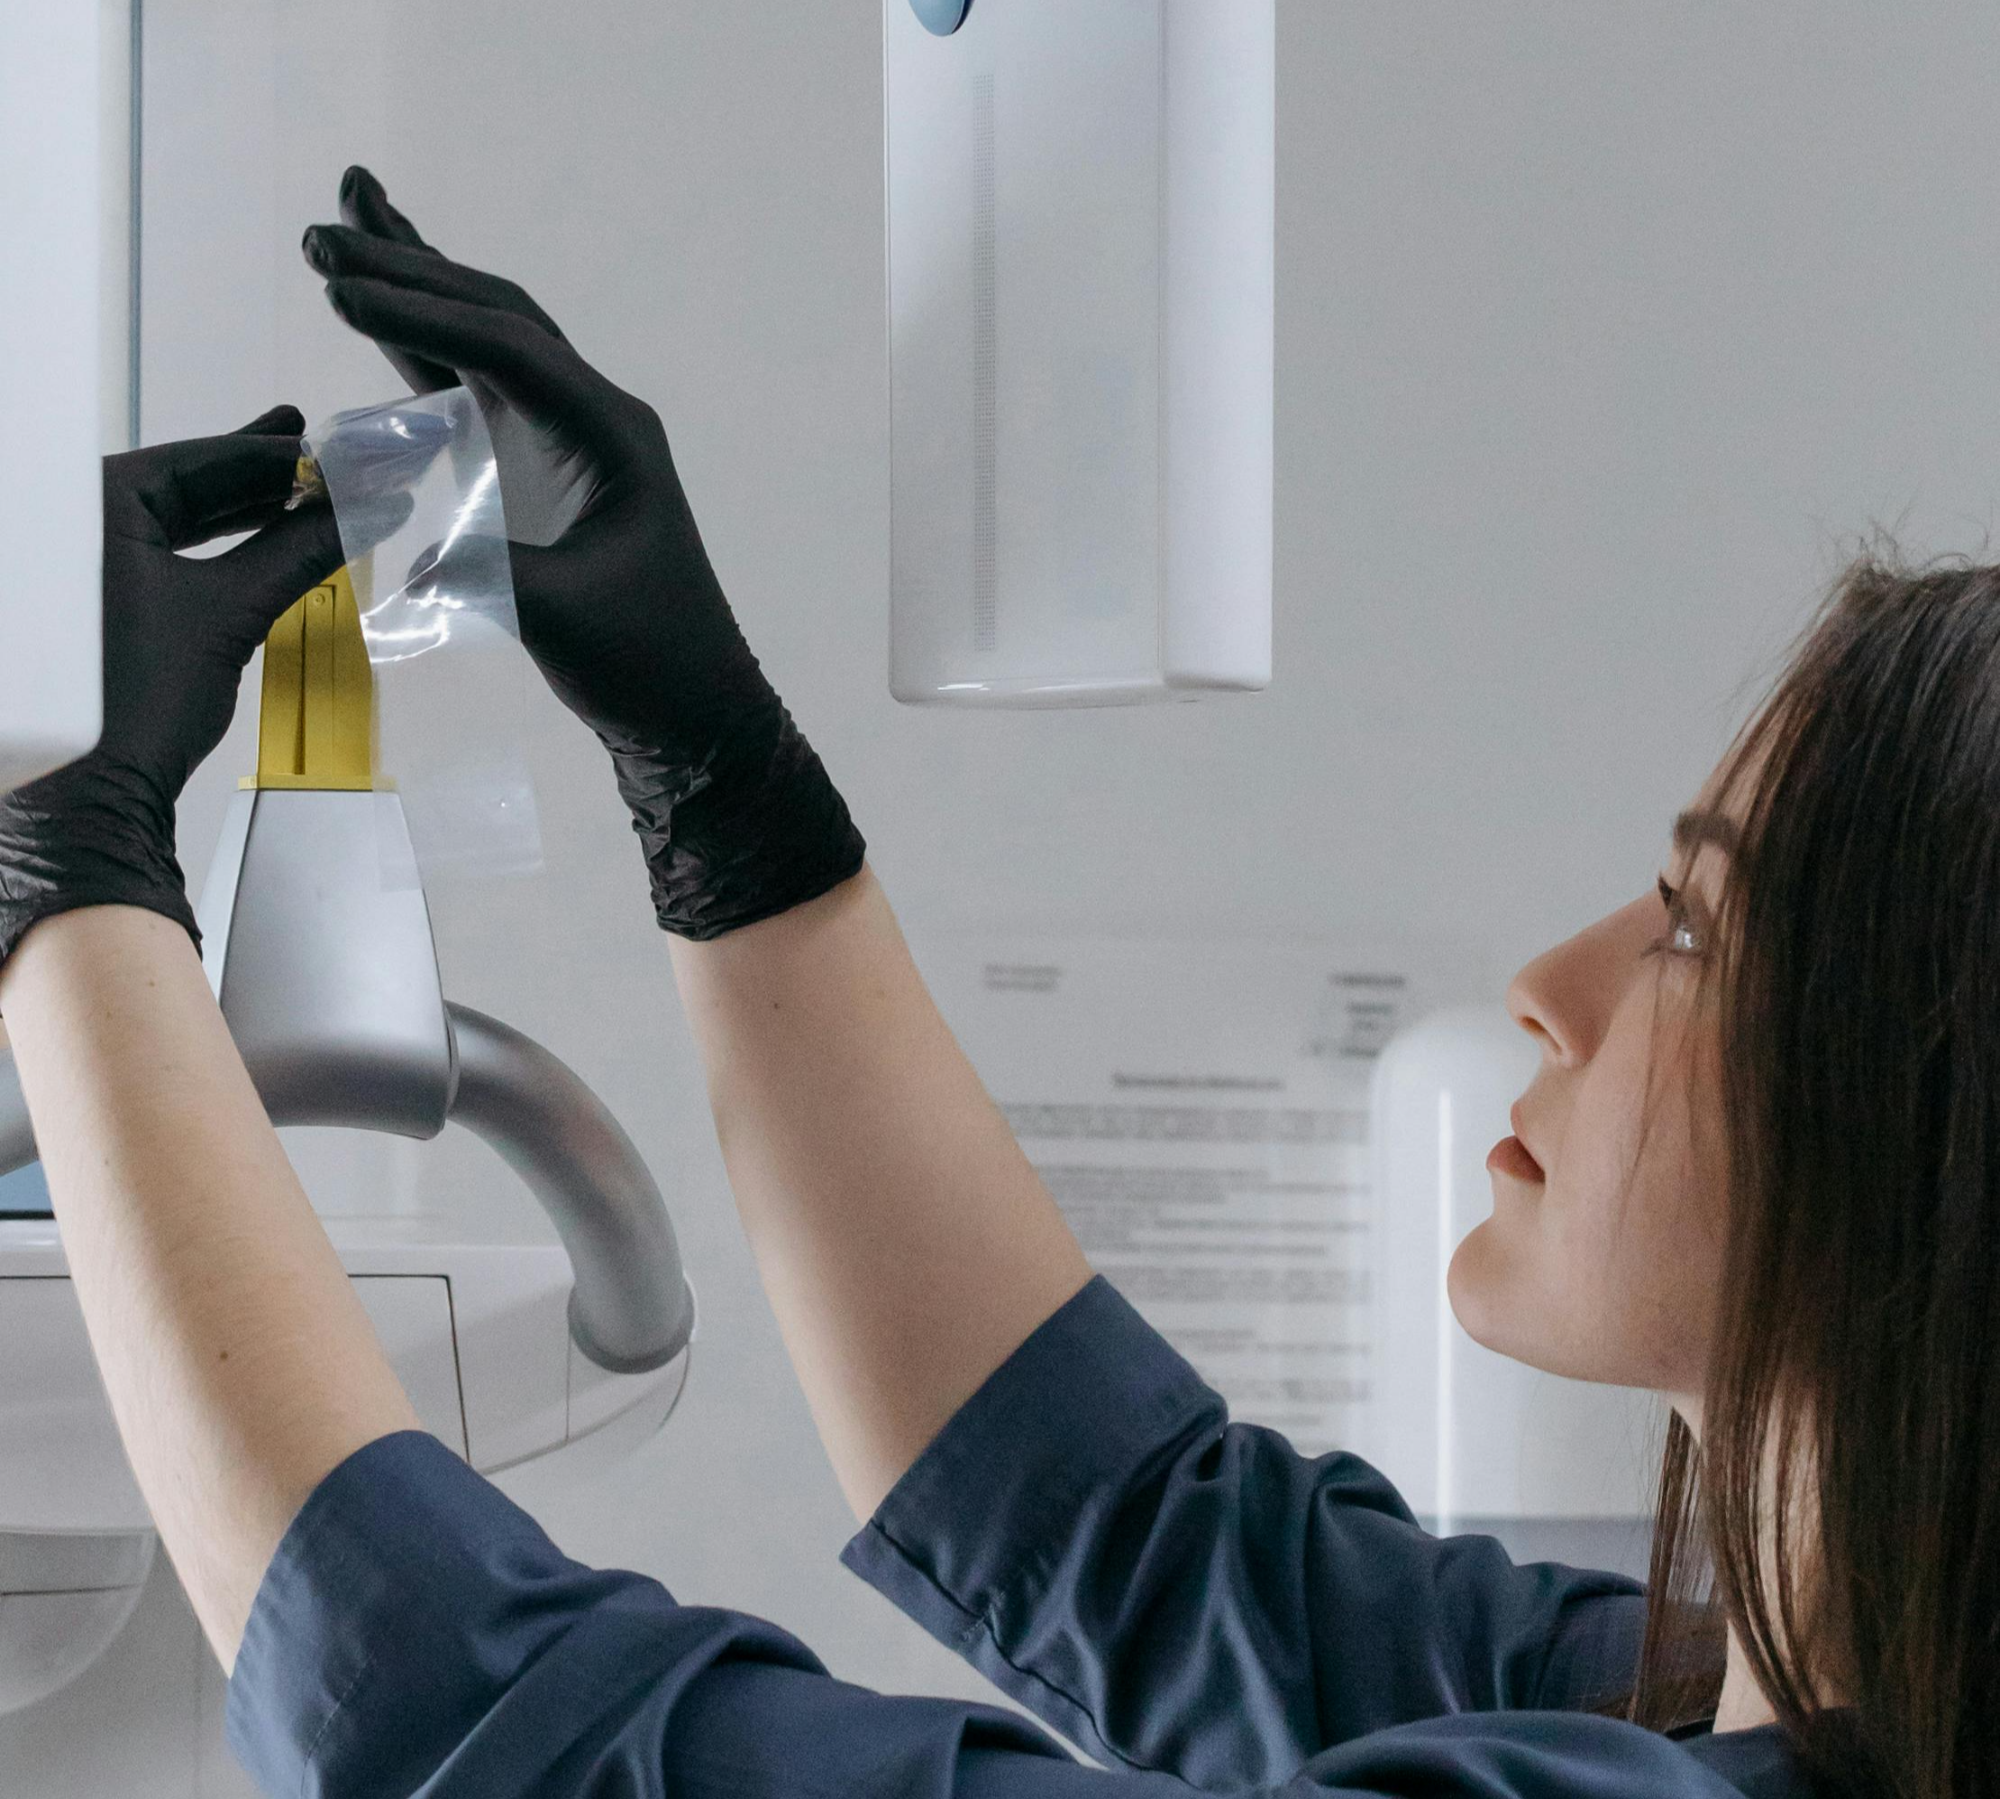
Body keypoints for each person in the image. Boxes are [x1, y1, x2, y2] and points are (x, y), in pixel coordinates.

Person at [0, 165, 1986, 1799]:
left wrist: (69, 861)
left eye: (1693, 930)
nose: (1553, 986)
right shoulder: (1733, 1690)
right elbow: (1116, 1528)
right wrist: (714, 773)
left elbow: (480, 1719)